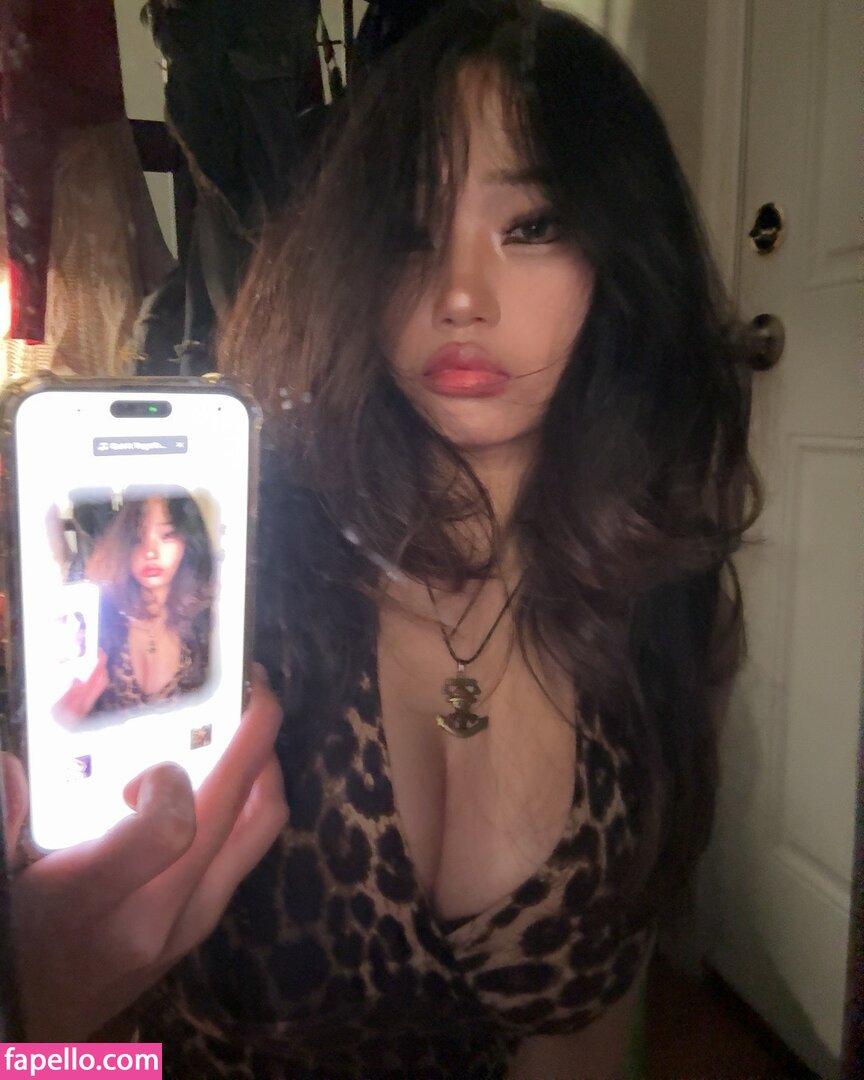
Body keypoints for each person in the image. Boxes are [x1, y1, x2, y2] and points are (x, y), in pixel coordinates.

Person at [4, 1, 759, 1075]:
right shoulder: (235, 565)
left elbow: (587, 1031)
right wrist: (31, 1022)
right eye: (409, 229)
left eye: (532, 226)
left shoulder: (658, 599)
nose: (459, 295)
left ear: (620, 258)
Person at [80, 488, 213, 717]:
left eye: (167, 535)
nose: (151, 552)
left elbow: (254, 698)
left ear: (188, 541)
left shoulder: (207, 619)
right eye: (138, 537)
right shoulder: (102, 618)